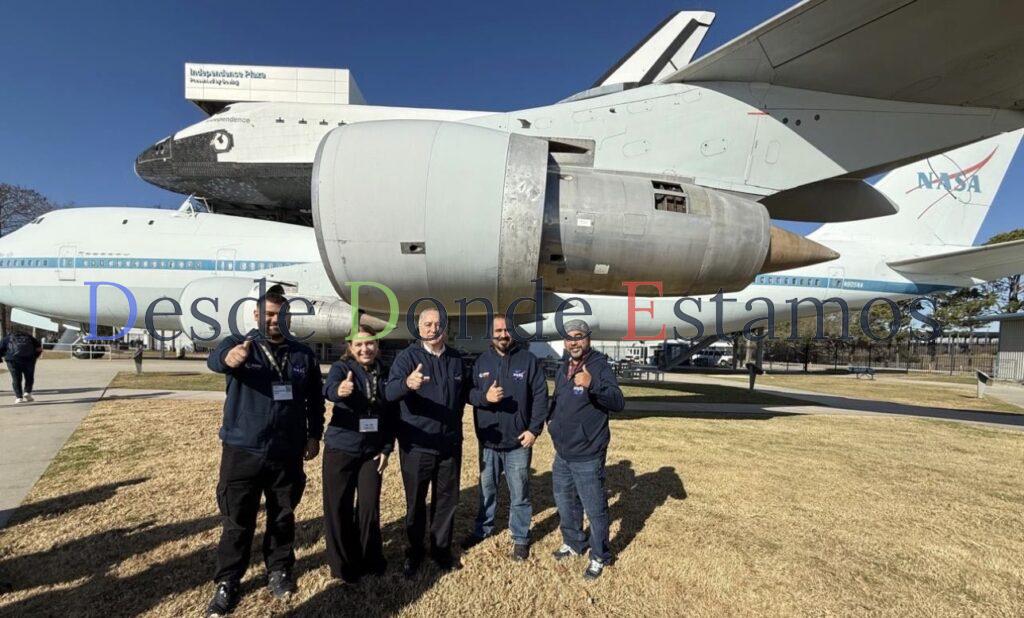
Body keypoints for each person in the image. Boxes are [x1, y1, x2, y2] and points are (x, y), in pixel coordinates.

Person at [204, 290, 325, 617]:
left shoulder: (302, 354)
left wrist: (314, 434)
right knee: (237, 519)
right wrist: (228, 359)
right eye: (269, 314)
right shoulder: (239, 344)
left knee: (283, 514)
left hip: (287, 450)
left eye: (281, 315)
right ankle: (228, 580)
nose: (275, 320)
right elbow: (217, 360)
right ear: (257, 316)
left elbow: (315, 399)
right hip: (243, 449)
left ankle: (279, 569)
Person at [385, 308, 469, 577]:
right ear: (419, 328)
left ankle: (441, 550)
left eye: (439, 324)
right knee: (416, 502)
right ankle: (415, 551)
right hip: (417, 445)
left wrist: (486, 396)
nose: (434, 329)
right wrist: (407, 383)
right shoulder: (407, 358)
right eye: (428, 324)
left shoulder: (456, 359)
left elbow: (468, 393)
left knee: (447, 501)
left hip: (449, 445)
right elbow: (389, 392)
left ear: (446, 328)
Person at [463, 315, 548, 560]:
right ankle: (483, 529)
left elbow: (541, 396)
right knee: (487, 490)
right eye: (498, 330)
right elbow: (468, 394)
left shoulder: (528, 361)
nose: (503, 335)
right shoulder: (481, 362)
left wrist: (534, 430)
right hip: (488, 442)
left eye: (507, 330)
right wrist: (484, 398)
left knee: (519, 492)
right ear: (491, 334)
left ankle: (520, 537)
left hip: (518, 443)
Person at [548, 319, 624, 580]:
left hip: (588, 454)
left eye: (578, 337)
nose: (573, 342)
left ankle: (599, 555)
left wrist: (594, 384)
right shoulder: (563, 367)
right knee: (566, 503)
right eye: (569, 338)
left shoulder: (599, 366)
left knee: (595, 508)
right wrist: (551, 422)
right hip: (563, 452)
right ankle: (574, 542)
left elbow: (618, 401)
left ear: (587, 338)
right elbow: (557, 399)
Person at [321, 325, 396, 583]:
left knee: (368, 506)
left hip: (371, 452)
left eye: (370, 343)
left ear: (377, 345)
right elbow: (330, 388)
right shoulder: (342, 369)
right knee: (338, 506)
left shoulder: (384, 372)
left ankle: (370, 558)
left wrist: (387, 447)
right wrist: (339, 391)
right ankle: (343, 566)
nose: (365, 348)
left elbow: (391, 415)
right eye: (359, 344)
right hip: (341, 448)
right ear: (350, 347)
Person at [0, 331, 42, 404]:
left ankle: (19, 397)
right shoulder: (30, 338)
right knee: (29, 377)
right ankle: (27, 392)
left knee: (16, 378)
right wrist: (35, 356)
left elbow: (0, 349)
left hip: (12, 360)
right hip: (29, 360)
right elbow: (39, 349)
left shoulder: (7, 338)